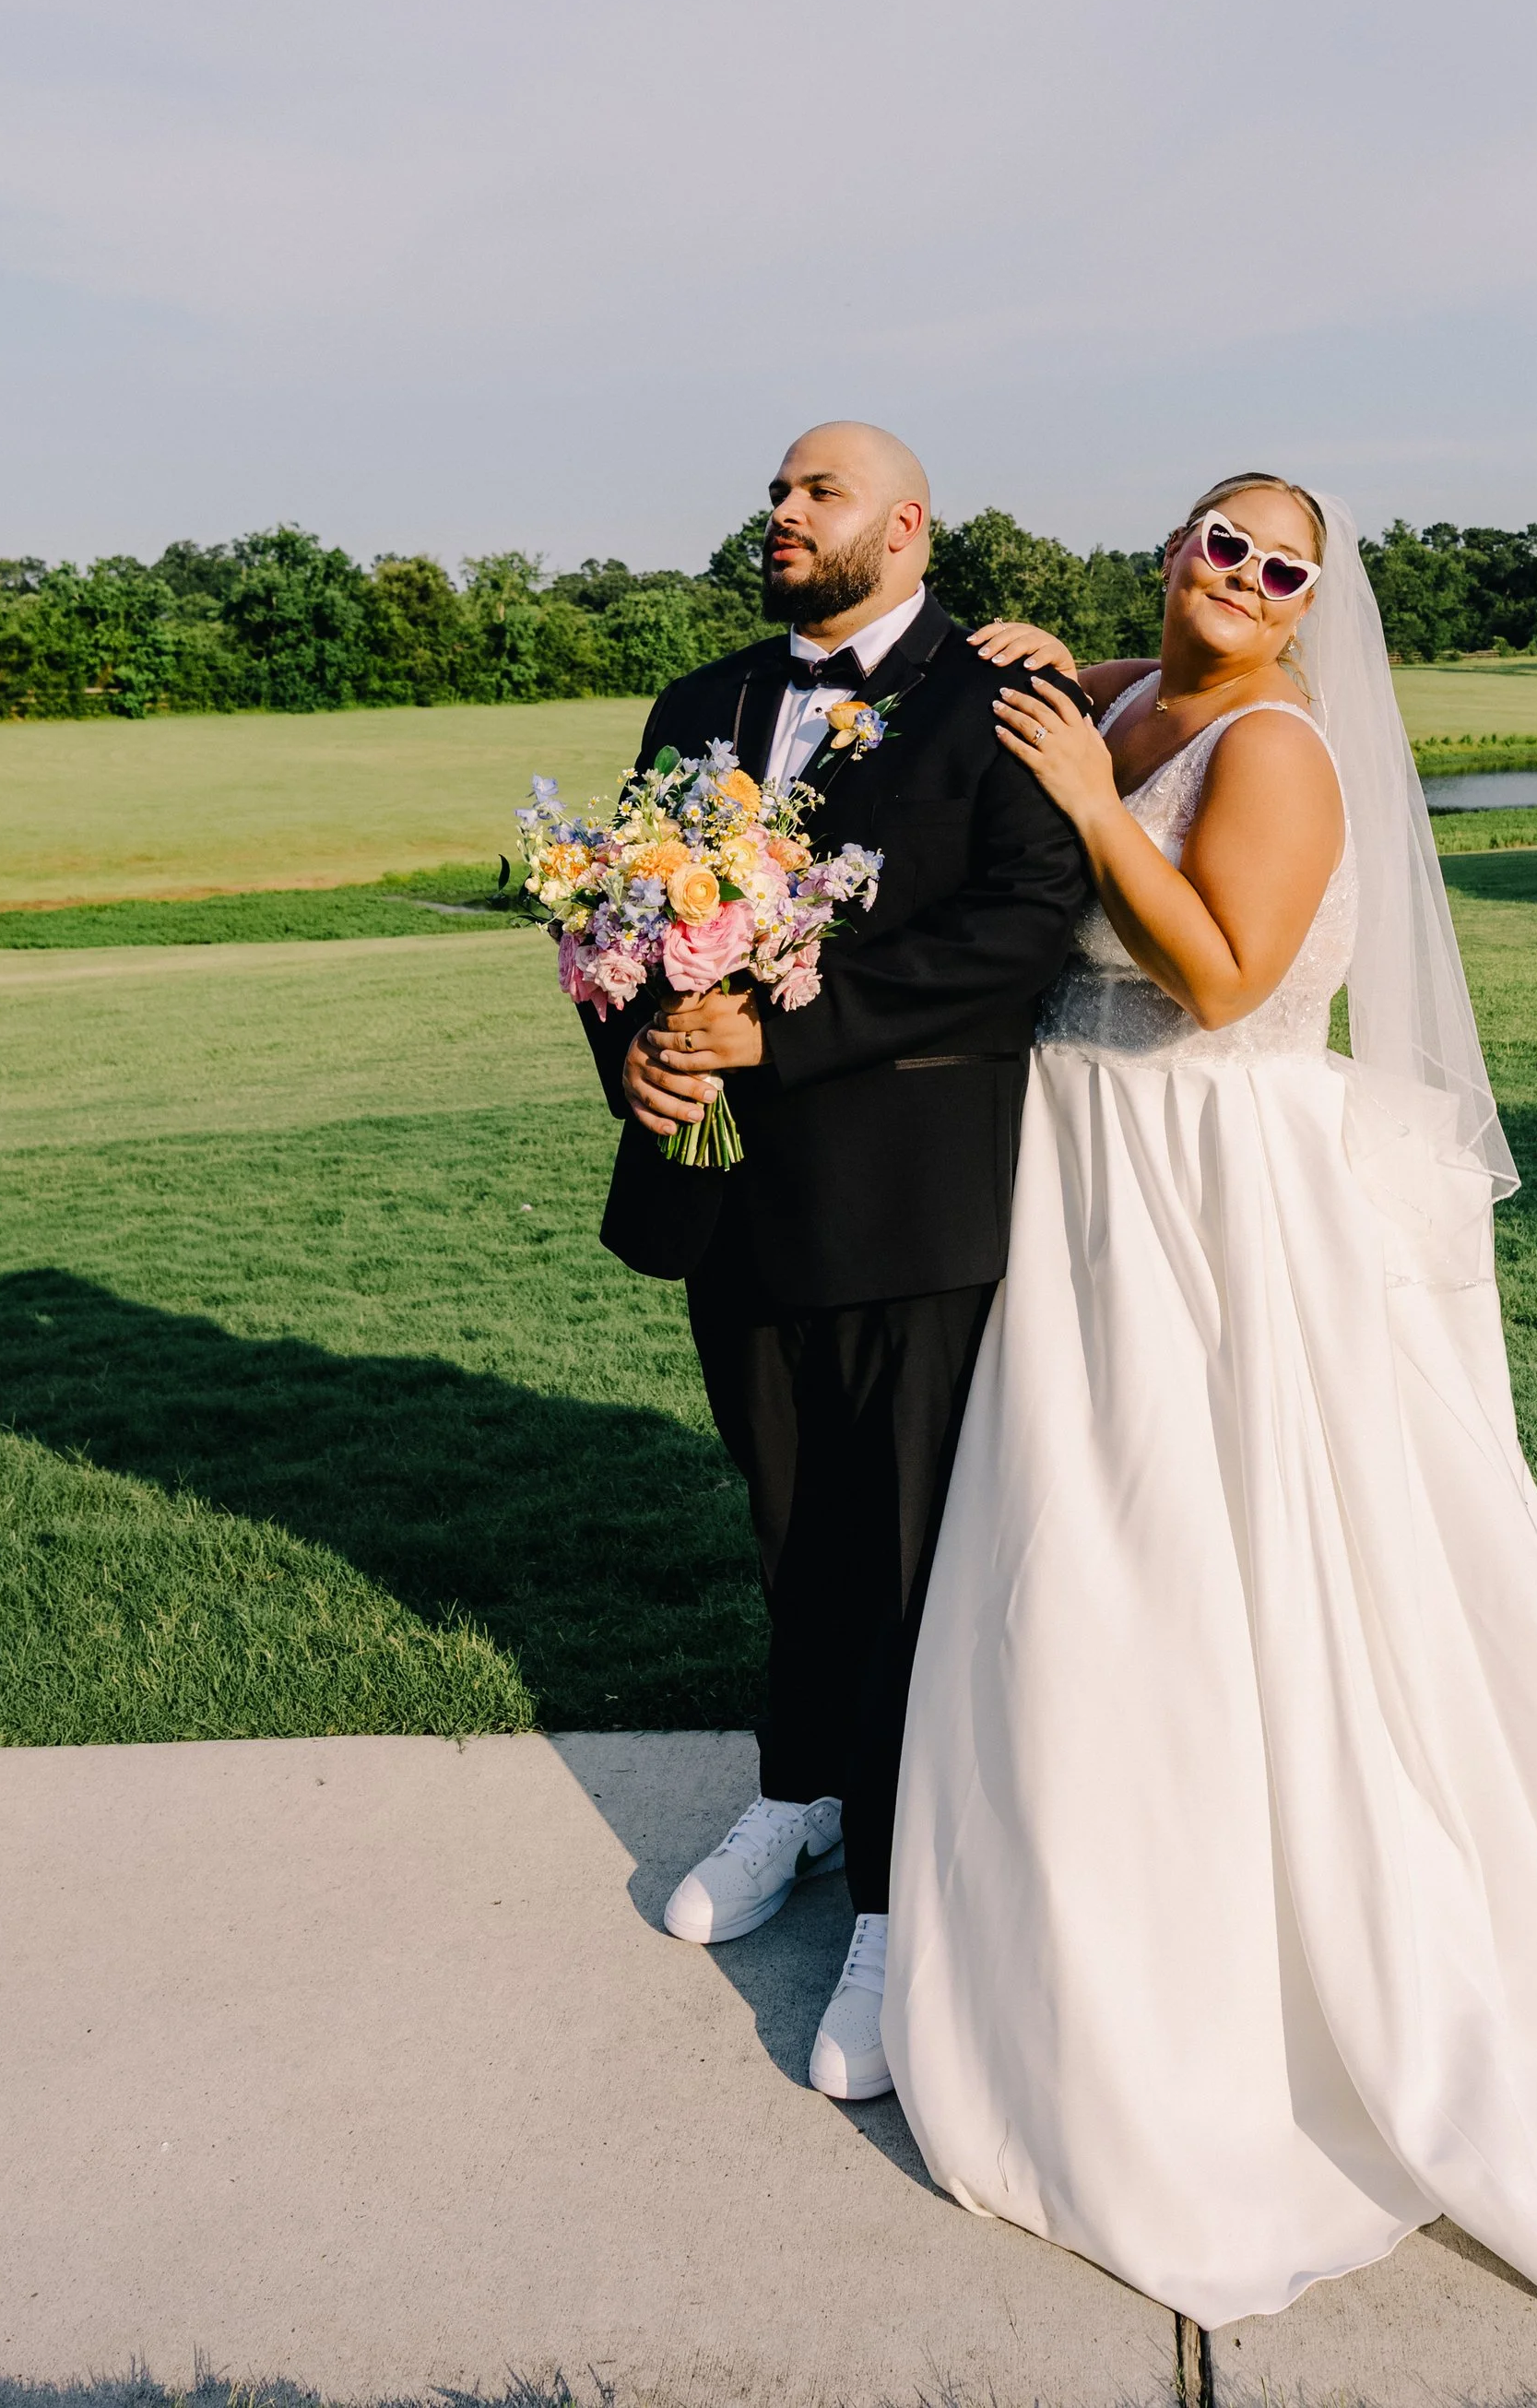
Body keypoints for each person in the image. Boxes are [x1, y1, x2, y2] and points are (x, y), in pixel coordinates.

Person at [881, 473, 1537, 2335]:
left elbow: (1225, 970)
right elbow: (1095, 674)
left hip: (1207, 1179)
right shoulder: (1132, 690)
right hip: (1084, 1165)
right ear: (1170, 549)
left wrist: (1091, 813)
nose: (1241, 575)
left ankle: (1294, 1976)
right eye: (1215, 540)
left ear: (1312, 605)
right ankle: (1099, 1931)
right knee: (1090, 1549)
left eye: (1281, 566)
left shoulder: (1277, 752)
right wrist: (1043, 667)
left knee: (1225, 1543)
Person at [583, 421, 1089, 2102]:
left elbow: (1020, 930)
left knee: (898, 1549)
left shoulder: (1003, 696)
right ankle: (795, 1796)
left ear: (908, 522)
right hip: (729, 1200)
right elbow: (616, 923)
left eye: (819, 492)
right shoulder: (697, 704)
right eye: (778, 491)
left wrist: (776, 1037)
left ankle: (892, 1893)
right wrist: (652, 1059)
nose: (782, 511)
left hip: (909, 1205)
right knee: (785, 1512)